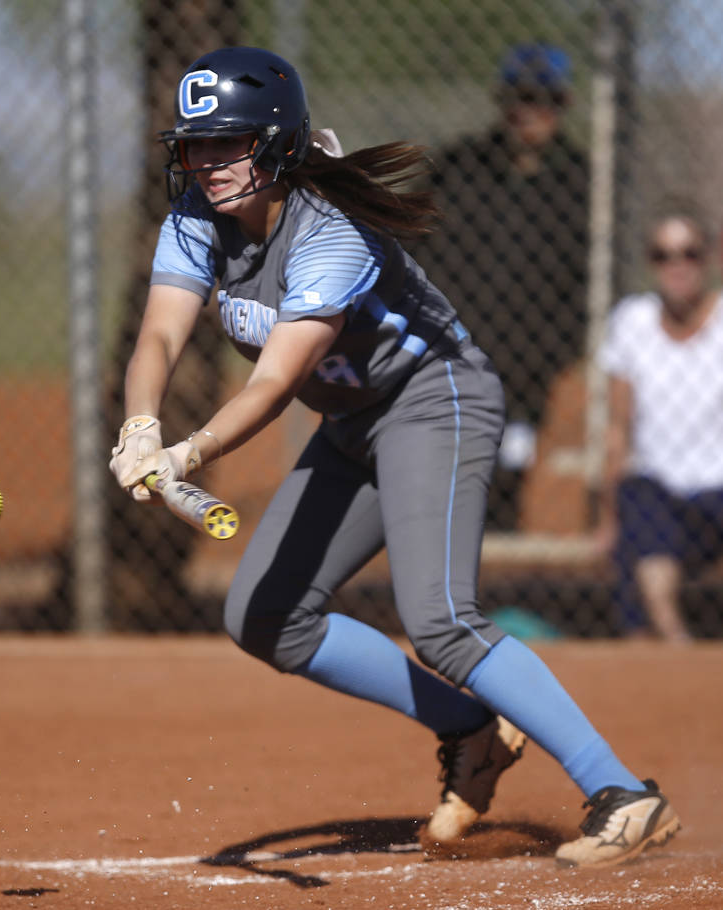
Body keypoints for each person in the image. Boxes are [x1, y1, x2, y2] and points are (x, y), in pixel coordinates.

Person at [108, 46, 678, 868]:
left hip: (433, 401)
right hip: (352, 425)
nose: (206, 164)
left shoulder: (330, 235)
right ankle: (470, 731)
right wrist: (138, 425)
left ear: (276, 145)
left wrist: (189, 449)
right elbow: (159, 331)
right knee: (264, 618)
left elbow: (274, 382)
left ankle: (624, 792)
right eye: (195, 146)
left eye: (227, 145)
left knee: (440, 620)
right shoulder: (197, 219)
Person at [413, 43, 589, 530]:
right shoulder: (458, 167)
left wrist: (560, 348)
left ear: (563, 104)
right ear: (501, 100)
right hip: (455, 339)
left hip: (533, 352)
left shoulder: (579, 179)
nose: (530, 112)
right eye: (521, 97)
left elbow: (585, 275)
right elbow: (415, 244)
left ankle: (497, 544)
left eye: (543, 99)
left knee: (512, 455)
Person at [594, 204, 723, 643]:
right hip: (656, 488)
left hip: (717, 486)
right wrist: (606, 517)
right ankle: (672, 638)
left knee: (643, 537)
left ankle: (657, 645)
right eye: (663, 255)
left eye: (689, 253)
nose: (677, 266)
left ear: (709, 258)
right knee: (641, 509)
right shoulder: (632, 321)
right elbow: (618, 428)